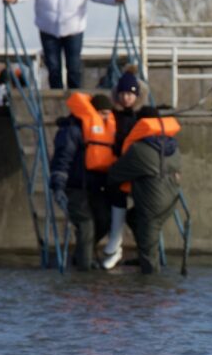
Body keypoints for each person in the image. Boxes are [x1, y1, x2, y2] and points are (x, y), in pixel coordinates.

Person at [3, 0, 125, 90]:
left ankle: (75, 95)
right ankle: (56, 94)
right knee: (53, 67)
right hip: (48, 29)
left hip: (73, 29)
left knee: (73, 66)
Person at [107, 106, 182, 274]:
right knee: (133, 218)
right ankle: (144, 259)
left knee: (150, 256)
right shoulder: (173, 146)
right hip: (170, 200)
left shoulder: (139, 150)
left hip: (152, 205)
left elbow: (114, 174)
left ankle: (150, 283)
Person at [49, 92, 116, 270]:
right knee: (86, 225)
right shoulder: (71, 131)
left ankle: (81, 255)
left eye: (109, 113)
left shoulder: (105, 133)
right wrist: (58, 186)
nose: (106, 117)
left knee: (105, 219)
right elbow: (62, 159)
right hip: (74, 188)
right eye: (102, 113)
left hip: (95, 188)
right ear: (93, 112)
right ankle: (84, 273)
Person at [99, 67, 141, 269]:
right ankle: (114, 246)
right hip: (115, 168)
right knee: (115, 199)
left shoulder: (139, 117)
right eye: (123, 94)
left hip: (134, 169)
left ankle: (121, 246)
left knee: (140, 209)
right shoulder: (111, 115)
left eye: (130, 94)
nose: (126, 98)